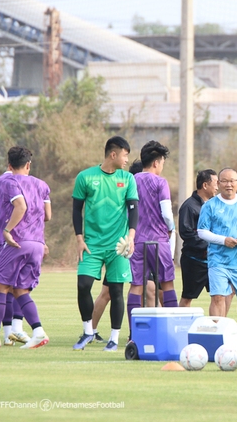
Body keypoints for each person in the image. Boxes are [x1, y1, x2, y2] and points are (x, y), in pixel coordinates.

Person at [73, 137, 139, 352]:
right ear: (114, 154)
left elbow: (133, 210)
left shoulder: (128, 179)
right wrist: (79, 239)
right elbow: (76, 210)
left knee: (117, 291)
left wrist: (130, 237)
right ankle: (87, 332)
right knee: (83, 285)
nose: (127, 160)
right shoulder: (85, 177)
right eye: (125, 155)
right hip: (91, 244)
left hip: (118, 245)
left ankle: (113, 338)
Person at [0, 147, 51, 349]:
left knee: (2, 287)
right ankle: (38, 331)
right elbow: (47, 215)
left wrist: (7, 229)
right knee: (21, 289)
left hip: (15, 241)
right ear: (29, 164)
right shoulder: (42, 184)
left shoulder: (6, 181)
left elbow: (21, 206)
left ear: (9, 165)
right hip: (37, 243)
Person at [197, 168, 237, 337]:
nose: (229, 184)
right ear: (218, 183)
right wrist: (223, 240)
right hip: (218, 260)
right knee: (218, 297)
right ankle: (218, 334)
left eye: (232, 181)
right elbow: (202, 231)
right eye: (224, 181)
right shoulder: (210, 206)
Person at [127, 141, 177, 329]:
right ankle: (173, 330)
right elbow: (166, 212)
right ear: (156, 162)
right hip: (158, 241)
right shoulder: (160, 182)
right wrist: (170, 227)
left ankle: (134, 334)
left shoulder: (131, 180)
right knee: (167, 284)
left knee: (136, 287)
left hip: (136, 240)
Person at [178, 169, 218, 307]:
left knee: (220, 295)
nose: (218, 187)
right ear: (205, 185)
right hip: (194, 261)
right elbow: (186, 233)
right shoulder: (189, 206)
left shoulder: (215, 205)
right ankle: (180, 327)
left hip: (214, 260)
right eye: (215, 183)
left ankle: (217, 327)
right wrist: (209, 245)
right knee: (187, 297)